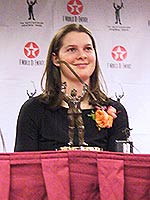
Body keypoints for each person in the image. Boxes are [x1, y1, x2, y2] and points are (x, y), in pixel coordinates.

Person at [14, 23, 130, 152]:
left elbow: (120, 168)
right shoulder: (34, 109)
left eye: (88, 49)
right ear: (56, 59)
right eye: (72, 49)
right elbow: (23, 168)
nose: (82, 55)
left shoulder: (115, 111)